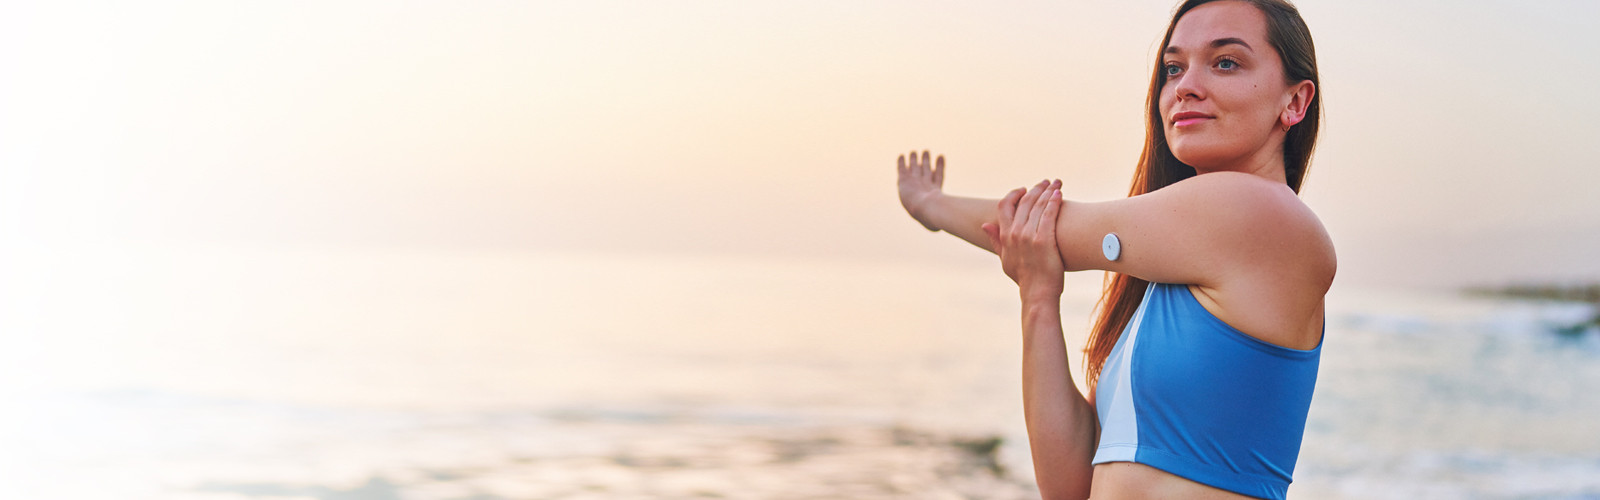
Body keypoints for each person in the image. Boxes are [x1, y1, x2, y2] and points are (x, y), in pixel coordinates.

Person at [894, 1, 1332, 499]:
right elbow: (1069, 486)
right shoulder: (1172, 285)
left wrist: (930, 204)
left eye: (1225, 61)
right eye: (1173, 68)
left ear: (1295, 102)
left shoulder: (1261, 214)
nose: (1184, 85)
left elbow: (1050, 230)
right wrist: (1038, 298)